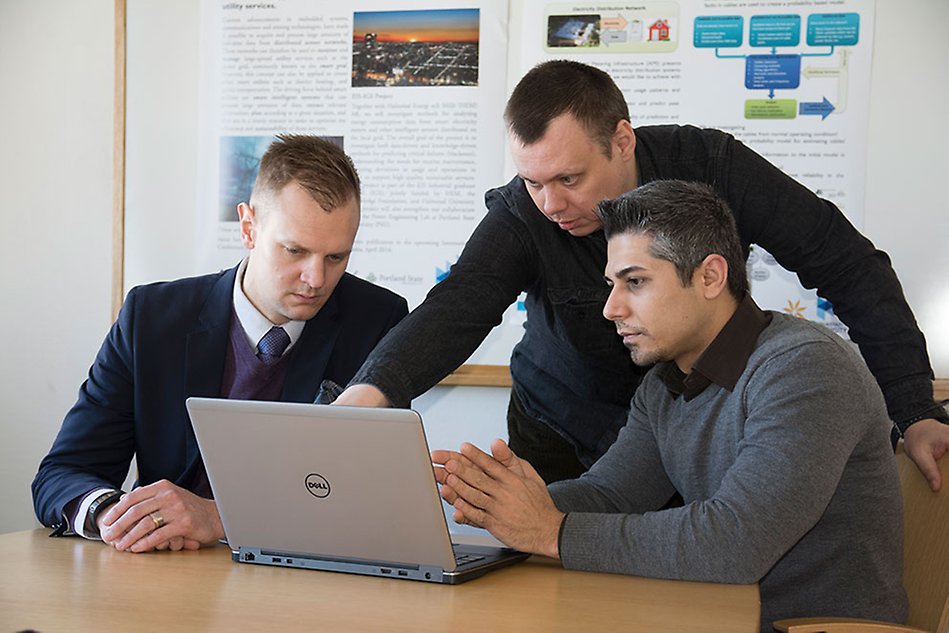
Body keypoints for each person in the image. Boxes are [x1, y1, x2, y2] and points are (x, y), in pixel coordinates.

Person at [336, 59, 949, 489]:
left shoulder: (711, 166)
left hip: (699, 426)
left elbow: (847, 263)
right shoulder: (527, 211)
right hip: (559, 428)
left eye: (568, 180)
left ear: (622, 140)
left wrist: (915, 406)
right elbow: (458, 305)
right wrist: (368, 395)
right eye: (532, 180)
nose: (549, 203)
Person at [433, 180, 908, 632]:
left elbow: (734, 543)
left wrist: (549, 531)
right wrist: (499, 505)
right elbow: (611, 495)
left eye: (634, 282)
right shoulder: (666, 382)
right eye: (612, 285)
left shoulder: (806, 370)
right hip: (710, 614)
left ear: (710, 276)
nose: (611, 308)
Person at [32, 135, 408, 553]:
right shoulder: (151, 318)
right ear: (249, 227)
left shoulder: (377, 321)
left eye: (336, 257)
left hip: (302, 583)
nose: (316, 279)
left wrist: (217, 517)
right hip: (166, 575)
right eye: (295, 250)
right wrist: (122, 517)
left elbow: (366, 498)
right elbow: (64, 472)